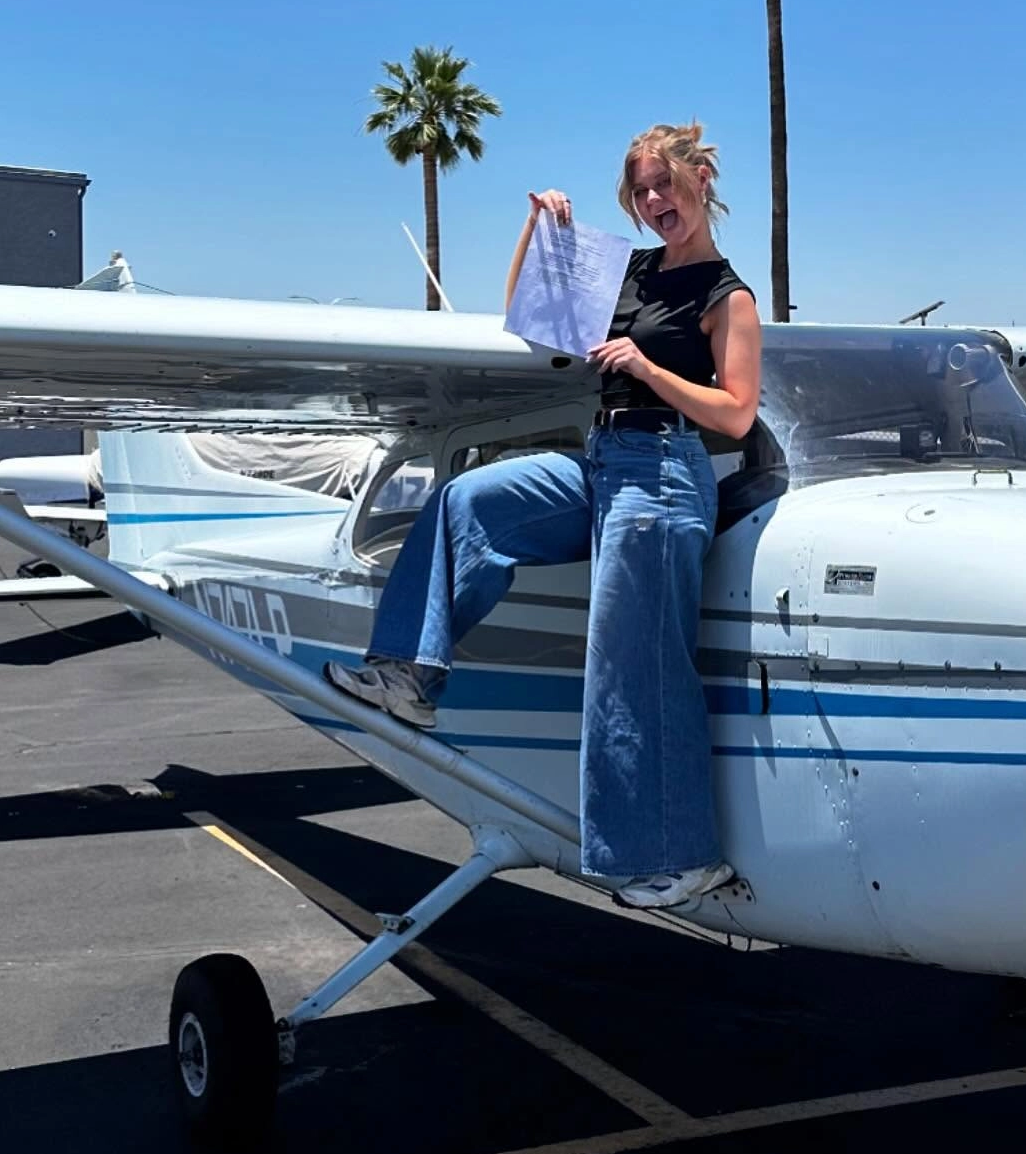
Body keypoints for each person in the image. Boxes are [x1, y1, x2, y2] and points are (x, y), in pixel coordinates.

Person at [326, 122, 762, 909]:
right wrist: (539, 226)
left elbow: (734, 415)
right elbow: (528, 316)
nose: (655, 200)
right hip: (602, 461)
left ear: (702, 179)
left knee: (635, 663)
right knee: (469, 502)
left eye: (666, 183)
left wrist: (649, 368)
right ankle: (408, 675)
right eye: (641, 190)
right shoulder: (630, 271)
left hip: (664, 474)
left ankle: (678, 856)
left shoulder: (728, 294)